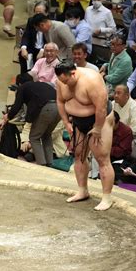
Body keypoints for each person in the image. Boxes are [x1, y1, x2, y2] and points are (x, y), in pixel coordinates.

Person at [55, 62, 114, 211]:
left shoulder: (92, 80)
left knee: (102, 159)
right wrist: (65, 122)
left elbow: (100, 108)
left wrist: (98, 128)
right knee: (79, 156)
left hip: (99, 121)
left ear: (73, 74)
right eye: (62, 81)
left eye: (66, 81)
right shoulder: (61, 80)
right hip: (77, 121)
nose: (64, 84)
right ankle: (82, 190)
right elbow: (60, 101)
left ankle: (107, 198)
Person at [1, 81, 60, 166]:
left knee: (34, 137)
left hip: (47, 109)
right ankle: (49, 163)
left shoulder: (22, 88)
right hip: (60, 108)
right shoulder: (39, 87)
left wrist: (7, 117)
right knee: (46, 135)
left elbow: (16, 106)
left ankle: (42, 165)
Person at [18, 1, 48, 74]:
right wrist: (23, 48)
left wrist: (42, 50)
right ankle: (24, 78)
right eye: (36, 12)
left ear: (46, 13)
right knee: (22, 55)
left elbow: (51, 40)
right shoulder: (31, 20)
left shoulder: (50, 23)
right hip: (33, 48)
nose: (37, 15)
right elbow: (26, 35)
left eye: (40, 13)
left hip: (45, 49)